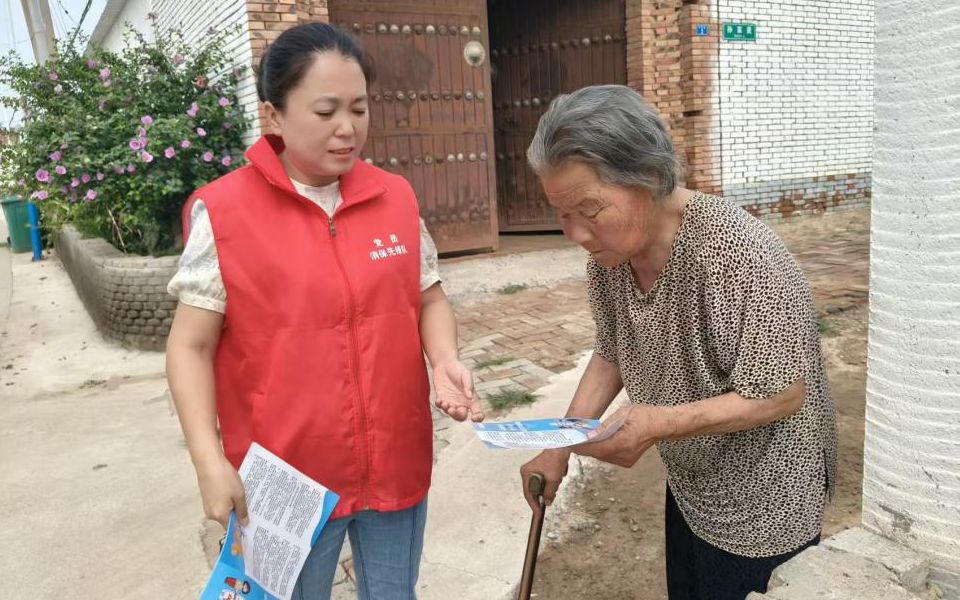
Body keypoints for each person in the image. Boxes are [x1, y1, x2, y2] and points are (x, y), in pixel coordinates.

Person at [165, 23, 484, 600]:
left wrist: (444, 360)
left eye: (359, 108)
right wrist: (208, 462)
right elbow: (190, 346)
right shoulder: (226, 211)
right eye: (326, 111)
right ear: (274, 115)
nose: (348, 128)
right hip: (287, 479)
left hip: (395, 456)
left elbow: (429, 296)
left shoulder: (394, 197)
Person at [518, 85, 837, 600]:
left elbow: (780, 394)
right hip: (693, 483)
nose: (574, 233)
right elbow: (612, 351)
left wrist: (657, 423)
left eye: (589, 210)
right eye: (562, 213)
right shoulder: (611, 259)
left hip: (766, 499)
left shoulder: (739, 255)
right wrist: (558, 445)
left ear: (646, 177)